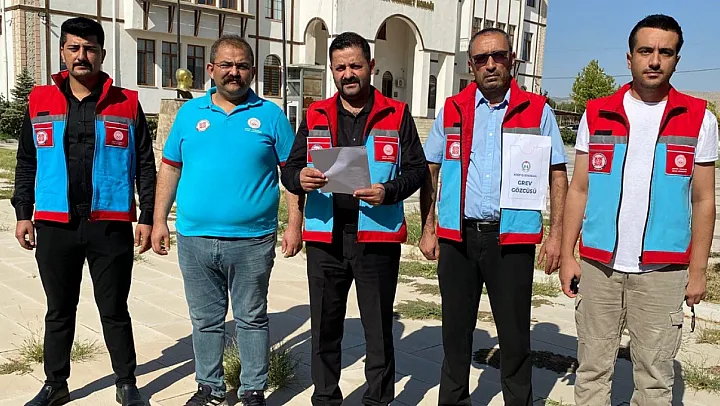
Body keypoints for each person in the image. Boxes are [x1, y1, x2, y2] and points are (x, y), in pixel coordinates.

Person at [560, 14, 718, 405]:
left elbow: (703, 200)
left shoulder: (699, 118)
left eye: (666, 52)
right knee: (592, 371)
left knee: (654, 380)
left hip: (663, 273)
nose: (655, 60)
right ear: (629, 57)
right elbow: (579, 188)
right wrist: (567, 254)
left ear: (677, 59)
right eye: (646, 51)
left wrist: (697, 271)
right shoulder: (597, 113)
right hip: (599, 266)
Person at [420, 27, 568, 406]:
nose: (490, 65)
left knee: (515, 339)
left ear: (511, 60)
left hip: (511, 241)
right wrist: (429, 226)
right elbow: (430, 169)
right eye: (481, 58)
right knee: (455, 334)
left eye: (498, 56)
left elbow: (557, 174)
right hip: (458, 239)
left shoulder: (537, 111)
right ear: (471, 65)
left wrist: (556, 236)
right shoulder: (452, 109)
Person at [151, 34, 302, 406]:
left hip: (252, 240)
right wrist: (158, 220)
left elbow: (293, 174)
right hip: (194, 238)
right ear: (211, 69)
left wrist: (294, 225)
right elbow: (170, 167)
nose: (234, 72)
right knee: (205, 320)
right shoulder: (190, 114)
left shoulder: (271, 116)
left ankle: (253, 388)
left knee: (251, 317)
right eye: (226, 65)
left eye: (242, 65)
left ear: (252, 71)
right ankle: (210, 388)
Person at [10, 17, 154, 406]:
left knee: (114, 310)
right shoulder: (39, 101)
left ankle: (126, 382)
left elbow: (145, 164)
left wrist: (147, 216)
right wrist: (23, 212)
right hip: (55, 224)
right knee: (59, 311)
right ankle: (54, 384)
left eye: (89, 49)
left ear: (102, 54)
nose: (81, 55)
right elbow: (26, 161)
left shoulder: (127, 103)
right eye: (74, 47)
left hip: (109, 225)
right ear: (62, 52)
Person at [280, 32, 428, 406]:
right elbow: (290, 168)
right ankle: (325, 398)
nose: (348, 74)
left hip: (376, 239)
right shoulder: (315, 114)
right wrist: (299, 178)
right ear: (332, 70)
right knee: (324, 328)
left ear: (371, 66)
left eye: (355, 66)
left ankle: (377, 400)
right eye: (340, 67)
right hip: (325, 238)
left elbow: (416, 171)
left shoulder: (397, 114)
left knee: (377, 329)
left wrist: (388, 191)